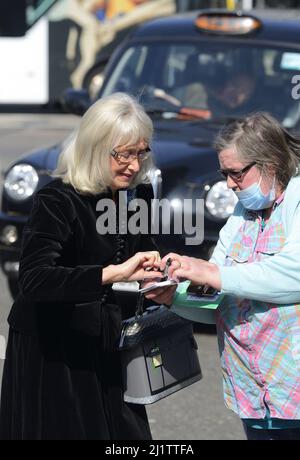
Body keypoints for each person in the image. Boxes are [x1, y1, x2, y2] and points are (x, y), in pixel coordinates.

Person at [0, 92, 163, 440]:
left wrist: (163, 271)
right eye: (124, 154)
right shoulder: (57, 199)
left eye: (141, 152)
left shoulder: (136, 194)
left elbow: (142, 251)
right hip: (53, 346)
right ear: (95, 148)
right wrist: (113, 274)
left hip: (107, 337)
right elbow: (34, 279)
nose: (134, 165)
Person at [148, 112, 300, 440]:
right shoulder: (243, 212)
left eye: (235, 174)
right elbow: (217, 296)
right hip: (254, 392)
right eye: (224, 173)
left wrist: (213, 272)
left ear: (270, 164)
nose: (229, 184)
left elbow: (294, 275)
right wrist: (173, 296)